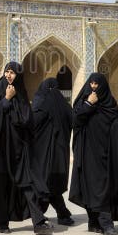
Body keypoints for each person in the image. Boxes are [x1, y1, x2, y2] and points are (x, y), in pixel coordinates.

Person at [0, 61, 53, 235]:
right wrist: (6, 100)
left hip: (19, 149)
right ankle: (2, 223)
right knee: (1, 186)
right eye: (7, 72)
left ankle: (39, 222)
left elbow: (27, 119)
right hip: (1, 149)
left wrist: (16, 105)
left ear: (18, 75)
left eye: (12, 72)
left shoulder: (21, 92)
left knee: (28, 184)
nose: (8, 75)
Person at [69, 72, 118, 235]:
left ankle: (102, 223)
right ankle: (99, 223)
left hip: (106, 155)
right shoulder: (83, 102)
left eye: (97, 84)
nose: (94, 87)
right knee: (91, 187)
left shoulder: (109, 104)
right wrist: (88, 104)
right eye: (92, 83)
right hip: (87, 154)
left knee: (103, 188)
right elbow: (75, 121)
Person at [31, 77, 75, 226]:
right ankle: (62, 214)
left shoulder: (41, 103)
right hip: (61, 154)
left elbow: (31, 124)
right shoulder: (64, 106)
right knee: (53, 185)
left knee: (42, 185)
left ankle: (40, 216)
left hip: (41, 154)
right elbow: (75, 121)